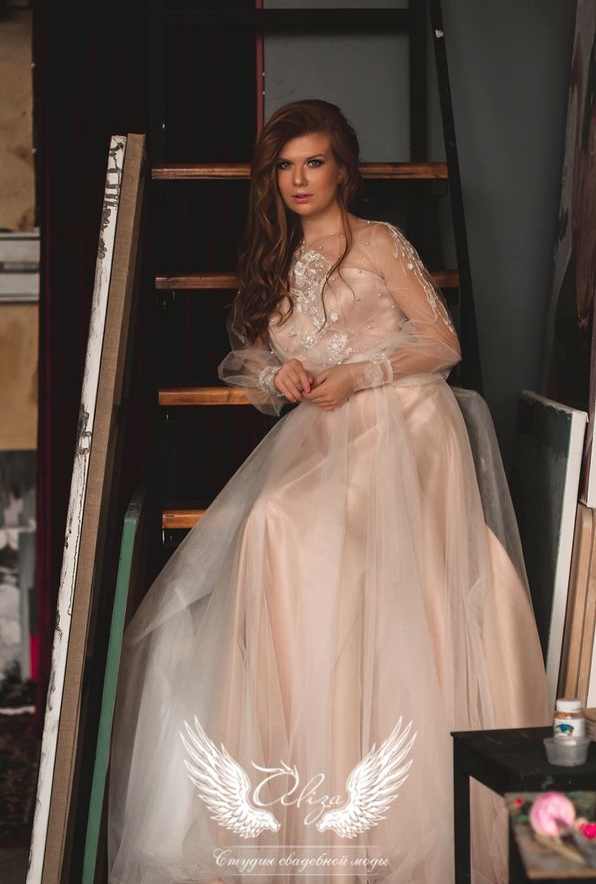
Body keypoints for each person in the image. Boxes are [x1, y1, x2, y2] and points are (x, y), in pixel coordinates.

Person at [107, 99, 550, 884]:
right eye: (284, 166)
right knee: (272, 525)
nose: (299, 179)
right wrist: (279, 372)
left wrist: (361, 372)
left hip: (401, 421)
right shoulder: (276, 258)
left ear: (343, 169)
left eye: (313, 162)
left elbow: (442, 341)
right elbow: (251, 359)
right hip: (321, 429)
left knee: (309, 535)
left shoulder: (378, 242)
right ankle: (308, 765)